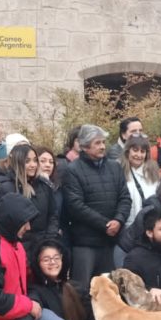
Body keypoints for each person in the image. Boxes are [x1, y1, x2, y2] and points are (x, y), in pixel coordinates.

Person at [62, 125, 131, 295]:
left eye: (103, 142)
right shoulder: (73, 170)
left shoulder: (114, 167)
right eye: (97, 143)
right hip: (85, 243)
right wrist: (105, 225)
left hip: (110, 242)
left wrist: (119, 220)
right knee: (83, 290)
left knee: (110, 290)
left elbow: (125, 198)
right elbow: (76, 206)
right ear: (85, 147)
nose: (102, 146)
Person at [0, 144, 60, 251]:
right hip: (17, 248)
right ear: (18, 163)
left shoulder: (44, 185)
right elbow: (2, 223)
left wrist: (49, 241)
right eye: (27, 161)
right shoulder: (6, 188)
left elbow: (53, 215)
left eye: (35, 160)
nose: (33, 165)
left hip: (42, 245)